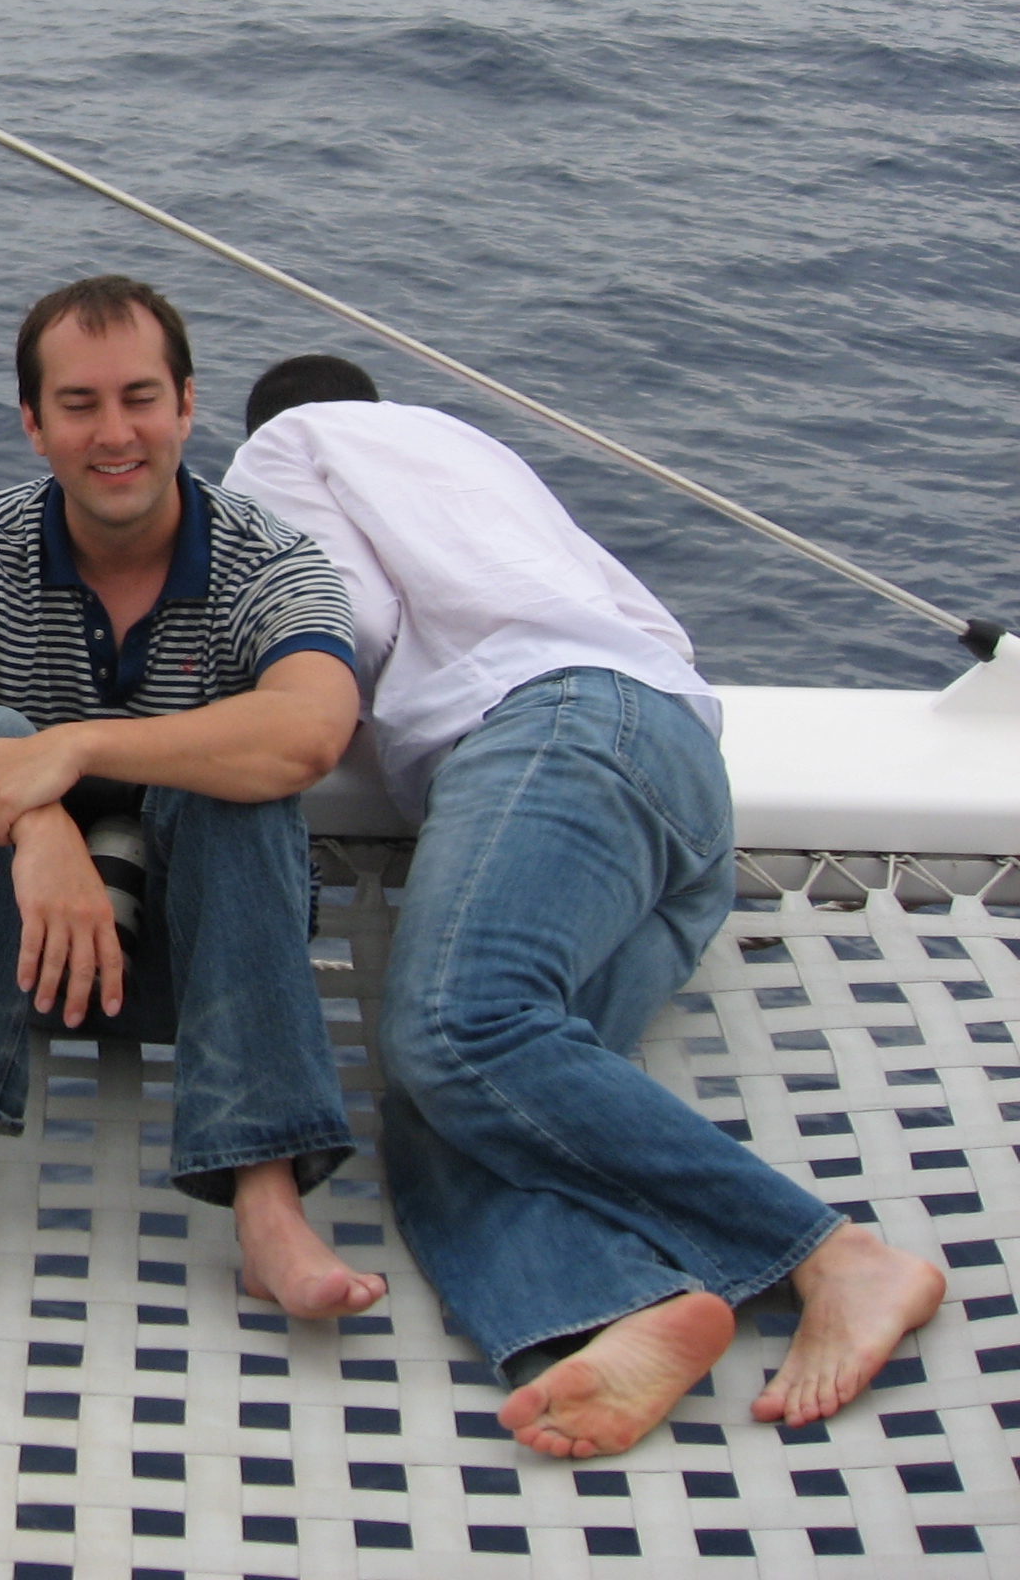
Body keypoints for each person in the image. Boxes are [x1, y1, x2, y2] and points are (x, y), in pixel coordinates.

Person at [224, 354, 945, 1456]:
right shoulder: (477, 455)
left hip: (555, 734)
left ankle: (831, 1254)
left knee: (456, 1027)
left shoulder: (288, 445)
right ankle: (617, 1308)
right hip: (677, 778)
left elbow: (336, 624)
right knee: (453, 1102)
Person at [0, 277, 383, 1323]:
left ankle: (267, 1202)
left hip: (204, 968)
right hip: (18, 959)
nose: (114, 433)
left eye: (139, 398)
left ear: (186, 405)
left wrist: (75, 748)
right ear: (33, 424)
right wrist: (35, 817)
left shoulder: (271, 561)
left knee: (239, 779)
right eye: (79, 405)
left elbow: (312, 727)